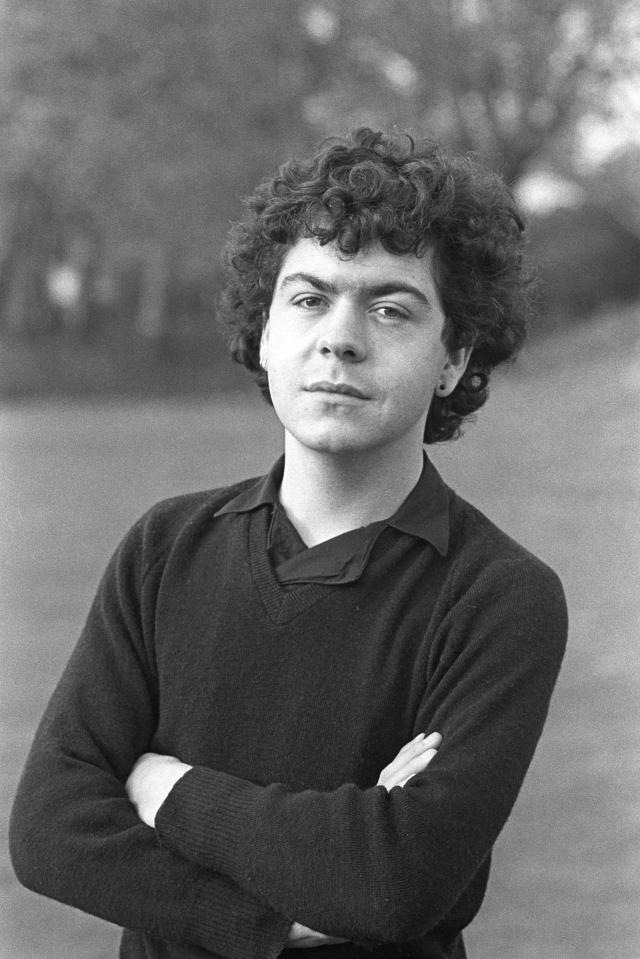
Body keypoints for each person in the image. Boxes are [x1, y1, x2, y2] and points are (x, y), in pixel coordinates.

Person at [10, 128, 567, 959]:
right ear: (267, 332)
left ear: (454, 358)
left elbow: (392, 880)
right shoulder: (164, 548)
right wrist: (275, 920)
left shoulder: (499, 596)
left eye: (389, 308)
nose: (340, 338)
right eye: (309, 299)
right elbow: (51, 828)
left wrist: (165, 786)